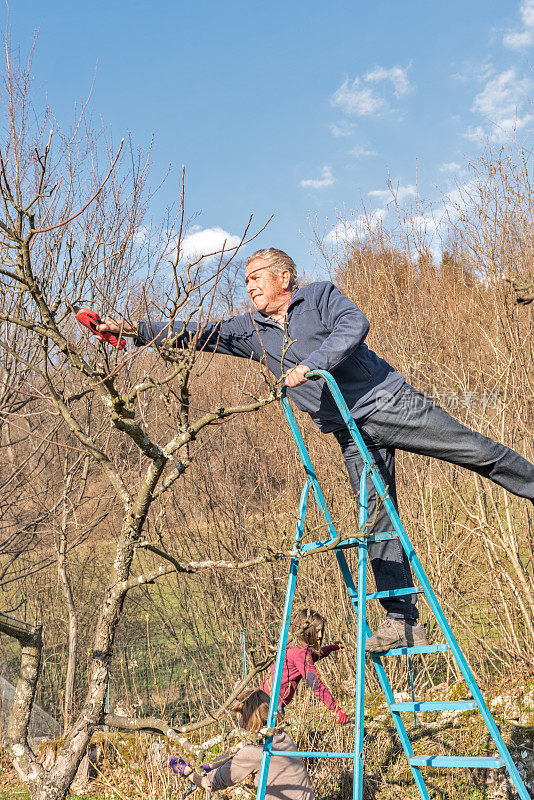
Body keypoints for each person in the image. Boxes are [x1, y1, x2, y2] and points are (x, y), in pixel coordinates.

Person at [97, 248, 534, 653]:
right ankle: (402, 620)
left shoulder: (319, 296)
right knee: (375, 518)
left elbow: (354, 326)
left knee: (474, 451)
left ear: (284, 277)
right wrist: (130, 331)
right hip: (349, 429)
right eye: (245, 281)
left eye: (256, 278)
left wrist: (313, 364)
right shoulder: (250, 330)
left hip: (389, 402)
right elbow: (196, 333)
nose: (249, 287)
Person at [170, 688, 315, 800]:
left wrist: (185, 770)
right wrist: (209, 766)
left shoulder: (254, 752)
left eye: (239, 717)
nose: (238, 722)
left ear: (248, 718)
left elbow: (209, 783)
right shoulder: (279, 735)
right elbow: (240, 748)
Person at [261, 608, 349, 724]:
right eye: (317, 631)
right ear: (307, 630)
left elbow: (311, 657)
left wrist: (331, 648)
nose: (320, 635)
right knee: (278, 740)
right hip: (272, 706)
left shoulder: (293, 644)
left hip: (265, 699)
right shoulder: (300, 651)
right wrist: (336, 708)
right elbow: (315, 683)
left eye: (321, 631)